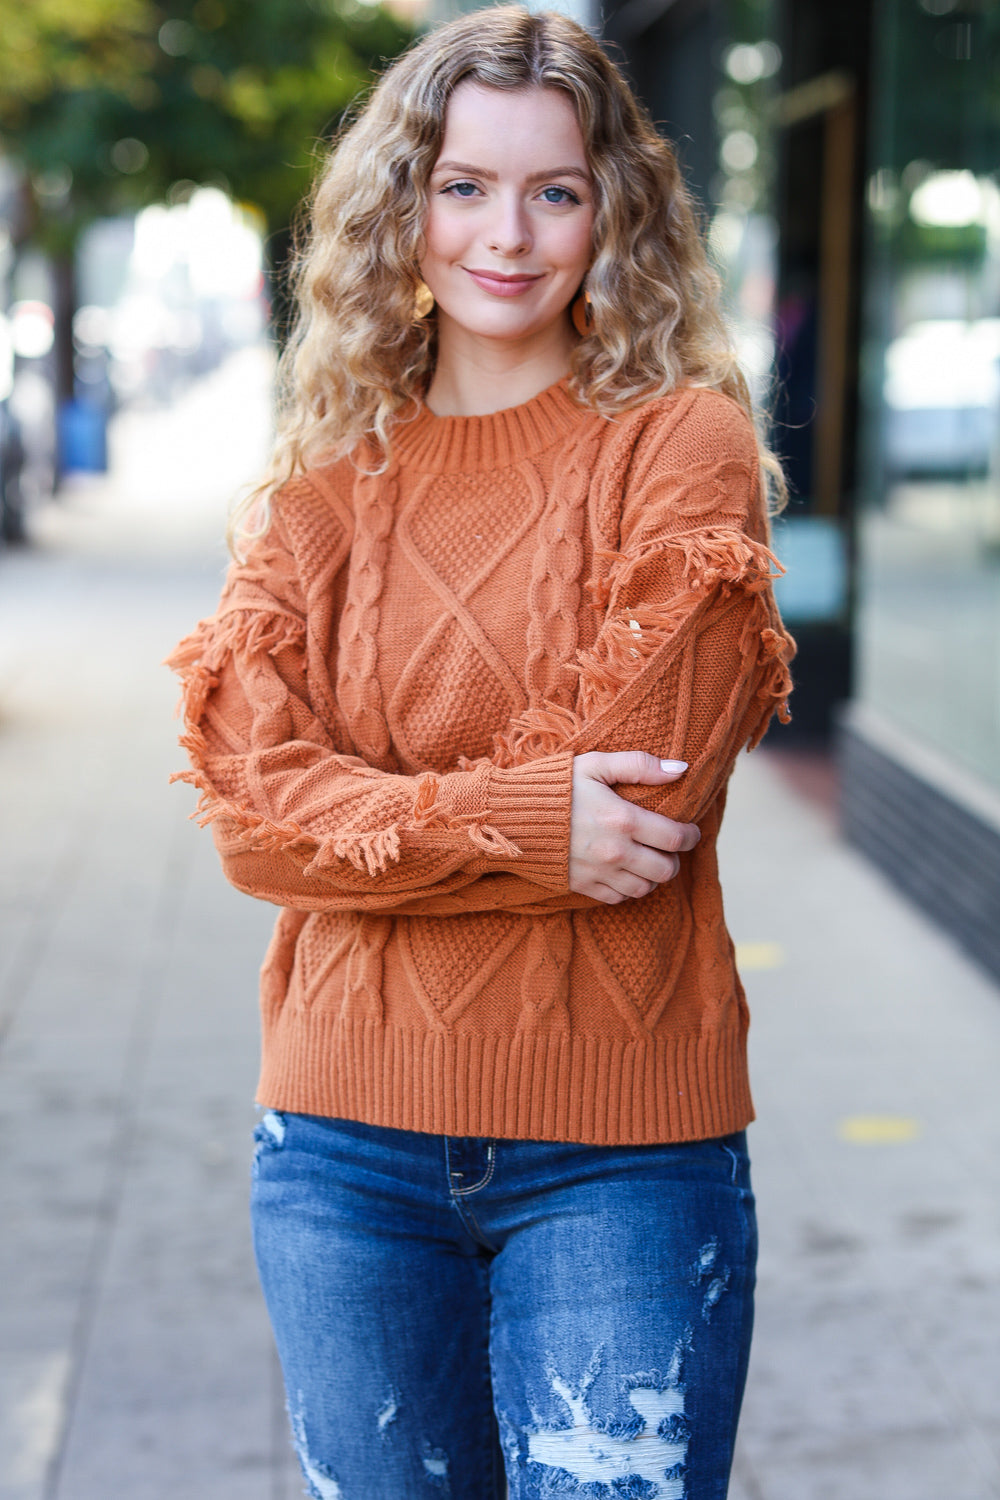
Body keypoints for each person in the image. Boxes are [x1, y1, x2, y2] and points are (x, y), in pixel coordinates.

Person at [167, 8, 795, 1496]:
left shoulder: (680, 448)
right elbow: (254, 820)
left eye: (555, 190)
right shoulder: (318, 496)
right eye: (463, 186)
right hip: (340, 1158)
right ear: (404, 210)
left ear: (611, 215)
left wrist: (384, 817)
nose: (506, 234)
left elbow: (641, 806)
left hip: (618, 1158)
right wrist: (525, 819)